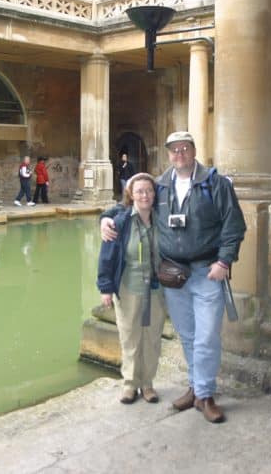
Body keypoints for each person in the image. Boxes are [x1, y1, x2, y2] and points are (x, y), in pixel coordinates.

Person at [101, 131, 246, 423]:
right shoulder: (161, 185)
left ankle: (205, 395)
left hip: (207, 272)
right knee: (189, 336)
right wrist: (104, 217)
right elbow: (132, 203)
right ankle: (195, 388)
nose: (179, 153)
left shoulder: (214, 183)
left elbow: (234, 225)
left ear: (193, 150)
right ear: (168, 154)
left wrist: (224, 260)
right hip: (173, 275)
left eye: (184, 148)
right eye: (173, 149)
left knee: (206, 337)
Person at [97, 173, 166, 405]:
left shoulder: (162, 219)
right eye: (139, 191)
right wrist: (105, 287)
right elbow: (106, 257)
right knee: (130, 338)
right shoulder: (121, 221)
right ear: (131, 195)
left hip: (156, 290)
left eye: (148, 190)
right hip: (129, 289)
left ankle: (147, 384)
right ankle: (129, 385)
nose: (144, 195)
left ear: (154, 194)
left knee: (152, 338)